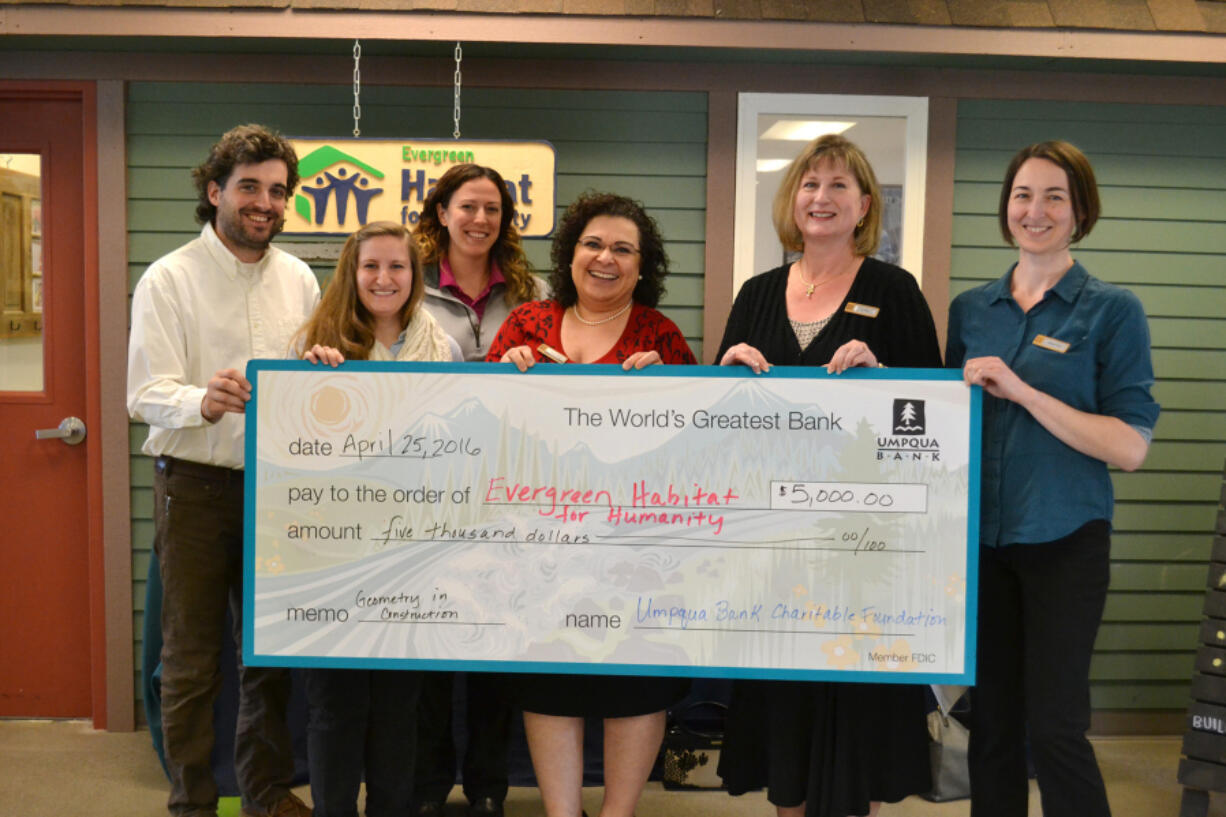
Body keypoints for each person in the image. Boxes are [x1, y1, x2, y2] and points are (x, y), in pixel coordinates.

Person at [714, 133, 939, 817]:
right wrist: (726, 375)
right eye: (811, 184)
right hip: (775, 545)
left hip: (861, 549)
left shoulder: (894, 291)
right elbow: (717, 426)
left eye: (840, 185)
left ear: (865, 204)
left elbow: (932, 416)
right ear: (793, 200)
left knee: (852, 712)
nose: (822, 197)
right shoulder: (755, 294)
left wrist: (886, 376)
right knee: (787, 709)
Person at [946, 141, 1158, 817]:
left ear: (1080, 210)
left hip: (1065, 538)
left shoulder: (1112, 310)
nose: (1035, 211)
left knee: (1057, 725)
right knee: (992, 725)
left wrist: (1024, 392)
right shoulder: (971, 310)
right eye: (1022, 195)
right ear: (1006, 208)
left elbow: (1129, 446)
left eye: (1054, 197)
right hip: (982, 544)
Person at [127, 124, 318, 817]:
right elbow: (141, 393)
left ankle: (265, 791)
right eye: (249, 187)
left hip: (274, 491)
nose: (264, 203)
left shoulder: (298, 278)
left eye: (276, 191)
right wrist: (198, 400)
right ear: (214, 192)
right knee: (191, 659)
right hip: (196, 489)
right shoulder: (169, 278)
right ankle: (193, 799)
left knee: (266, 655)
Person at [485, 192, 695, 817]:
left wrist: (670, 389)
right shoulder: (525, 324)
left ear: (641, 264)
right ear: (571, 253)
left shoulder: (661, 334)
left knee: (635, 681)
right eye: (593, 245)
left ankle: (618, 811)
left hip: (633, 544)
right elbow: (483, 431)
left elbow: (693, 451)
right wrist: (503, 374)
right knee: (550, 679)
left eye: (623, 249)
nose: (606, 258)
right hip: (539, 543)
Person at [293, 221, 454, 817]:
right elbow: (292, 449)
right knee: (334, 705)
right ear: (350, 274)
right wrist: (309, 383)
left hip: (409, 555)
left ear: (415, 277)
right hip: (332, 556)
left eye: (398, 267)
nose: (384, 279)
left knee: (397, 705)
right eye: (371, 267)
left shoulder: (443, 348)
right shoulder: (312, 344)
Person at [410, 164, 540, 817]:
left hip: (507, 488)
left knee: (496, 637)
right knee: (433, 641)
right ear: (441, 212)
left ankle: (489, 782)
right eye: (468, 206)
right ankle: (431, 782)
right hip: (431, 488)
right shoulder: (408, 282)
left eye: (493, 208)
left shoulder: (532, 291)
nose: (480, 219)